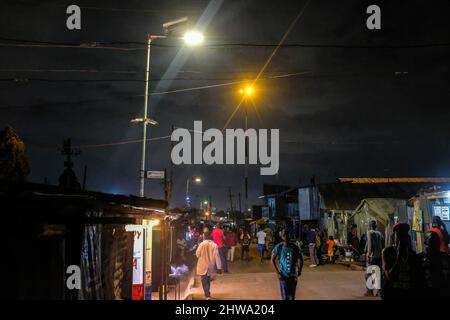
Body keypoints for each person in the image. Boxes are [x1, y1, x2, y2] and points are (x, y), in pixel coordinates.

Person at [381, 223, 421, 300]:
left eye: (405, 236)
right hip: (394, 293)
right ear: (394, 237)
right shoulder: (387, 252)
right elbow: (389, 276)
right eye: (399, 236)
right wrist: (398, 257)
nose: (402, 239)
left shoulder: (411, 254)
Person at [271, 229, 304, 300]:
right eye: (284, 235)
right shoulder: (279, 247)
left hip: (293, 276)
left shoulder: (295, 247)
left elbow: (301, 259)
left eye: (287, 235)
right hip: (283, 276)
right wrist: (278, 273)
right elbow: (272, 260)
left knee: (292, 297)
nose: (286, 236)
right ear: (282, 237)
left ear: (290, 236)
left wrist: (299, 270)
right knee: (285, 297)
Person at [195, 231, 222, 300]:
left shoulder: (201, 244)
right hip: (210, 265)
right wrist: (219, 268)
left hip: (202, 265)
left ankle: (207, 295)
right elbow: (217, 257)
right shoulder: (214, 245)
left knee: (204, 280)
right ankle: (207, 294)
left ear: (204, 237)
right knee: (207, 279)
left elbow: (197, 254)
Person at [364, 220, 385, 296]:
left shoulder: (370, 233)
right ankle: (379, 292)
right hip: (379, 256)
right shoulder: (380, 234)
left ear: (370, 226)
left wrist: (368, 255)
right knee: (377, 273)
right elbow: (383, 245)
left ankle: (370, 291)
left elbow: (370, 245)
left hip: (372, 256)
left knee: (368, 274)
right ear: (376, 226)